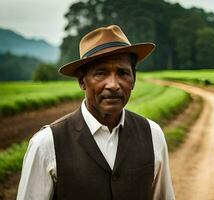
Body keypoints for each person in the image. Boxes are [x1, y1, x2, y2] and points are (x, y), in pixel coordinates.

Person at [17, 25, 175, 200]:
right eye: (101, 73)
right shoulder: (46, 144)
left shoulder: (153, 135)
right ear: (82, 81)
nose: (114, 85)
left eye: (123, 73)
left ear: (133, 80)